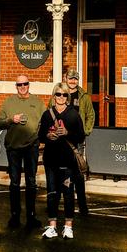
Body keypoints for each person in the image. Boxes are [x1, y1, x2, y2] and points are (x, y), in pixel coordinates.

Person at [0, 74, 44, 230]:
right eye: (19, 85)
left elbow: (44, 122)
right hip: (13, 147)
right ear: (16, 86)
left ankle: (31, 216)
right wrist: (12, 119)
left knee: (31, 182)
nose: (23, 87)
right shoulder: (8, 102)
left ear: (29, 85)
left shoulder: (37, 102)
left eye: (25, 84)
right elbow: (0, 124)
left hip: (31, 147)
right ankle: (15, 216)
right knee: (15, 182)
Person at [38, 83, 85, 239]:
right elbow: (40, 135)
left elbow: (81, 136)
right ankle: (52, 226)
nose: (61, 98)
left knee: (68, 193)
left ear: (68, 97)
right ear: (54, 96)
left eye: (64, 95)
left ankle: (68, 226)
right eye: (58, 94)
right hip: (51, 159)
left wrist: (67, 132)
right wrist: (47, 136)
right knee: (52, 193)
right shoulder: (47, 114)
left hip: (67, 161)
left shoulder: (73, 114)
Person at [62, 68, 95, 215]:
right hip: (61, 140)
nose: (73, 81)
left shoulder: (84, 96)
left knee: (78, 173)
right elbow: (50, 111)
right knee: (60, 171)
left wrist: (85, 131)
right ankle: (56, 202)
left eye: (75, 78)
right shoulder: (59, 92)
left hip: (77, 140)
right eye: (70, 78)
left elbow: (90, 115)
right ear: (65, 78)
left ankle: (83, 206)